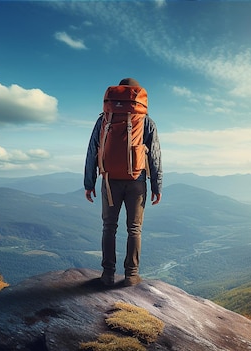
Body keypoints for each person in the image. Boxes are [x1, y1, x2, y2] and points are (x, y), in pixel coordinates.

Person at [84, 78, 162, 287]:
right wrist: (156, 185)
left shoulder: (104, 120)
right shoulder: (145, 121)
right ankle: (131, 275)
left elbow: (93, 150)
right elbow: (154, 156)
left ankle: (108, 274)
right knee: (134, 229)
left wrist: (89, 182)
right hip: (137, 181)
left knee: (109, 227)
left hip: (109, 180)